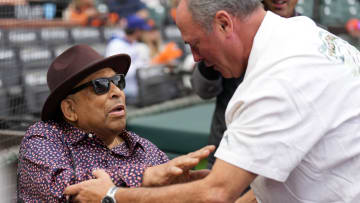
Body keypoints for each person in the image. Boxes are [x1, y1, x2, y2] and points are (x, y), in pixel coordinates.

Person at [64, 0, 360, 202]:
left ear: (223, 24)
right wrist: (196, 187)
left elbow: (216, 194)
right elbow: (265, 190)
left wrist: (112, 195)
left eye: (195, 43)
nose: (195, 57)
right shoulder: (301, 32)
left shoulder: (277, 78)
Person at [17, 44, 214, 202]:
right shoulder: (45, 137)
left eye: (118, 82)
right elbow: (60, 187)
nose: (117, 92)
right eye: (100, 85)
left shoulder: (140, 147)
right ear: (70, 109)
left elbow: (168, 181)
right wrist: (145, 176)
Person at [192, 0, 300, 169]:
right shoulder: (237, 28)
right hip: (229, 145)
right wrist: (212, 53)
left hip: (283, 153)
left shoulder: (311, 34)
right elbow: (202, 90)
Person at [105, 15, 153, 105]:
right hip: (125, 91)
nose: (143, 32)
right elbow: (116, 74)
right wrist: (143, 66)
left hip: (141, 88)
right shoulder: (115, 45)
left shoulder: (137, 44)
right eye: (142, 30)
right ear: (137, 31)